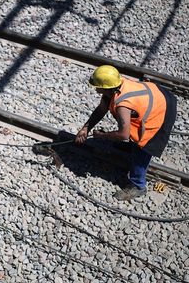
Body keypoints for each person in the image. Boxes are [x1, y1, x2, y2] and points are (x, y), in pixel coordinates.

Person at [75, 65, 177, 200]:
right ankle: (132, 148)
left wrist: (103, 136)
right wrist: (86, 128)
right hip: (159, 95)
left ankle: (138, 185)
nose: (95, 88)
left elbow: (123, 134)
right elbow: (101, 110)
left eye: (97, 85)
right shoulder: (114, 87)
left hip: (163, 108)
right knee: (134, 133)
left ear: (105, 87)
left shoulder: (122, 105)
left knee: (144, 145)